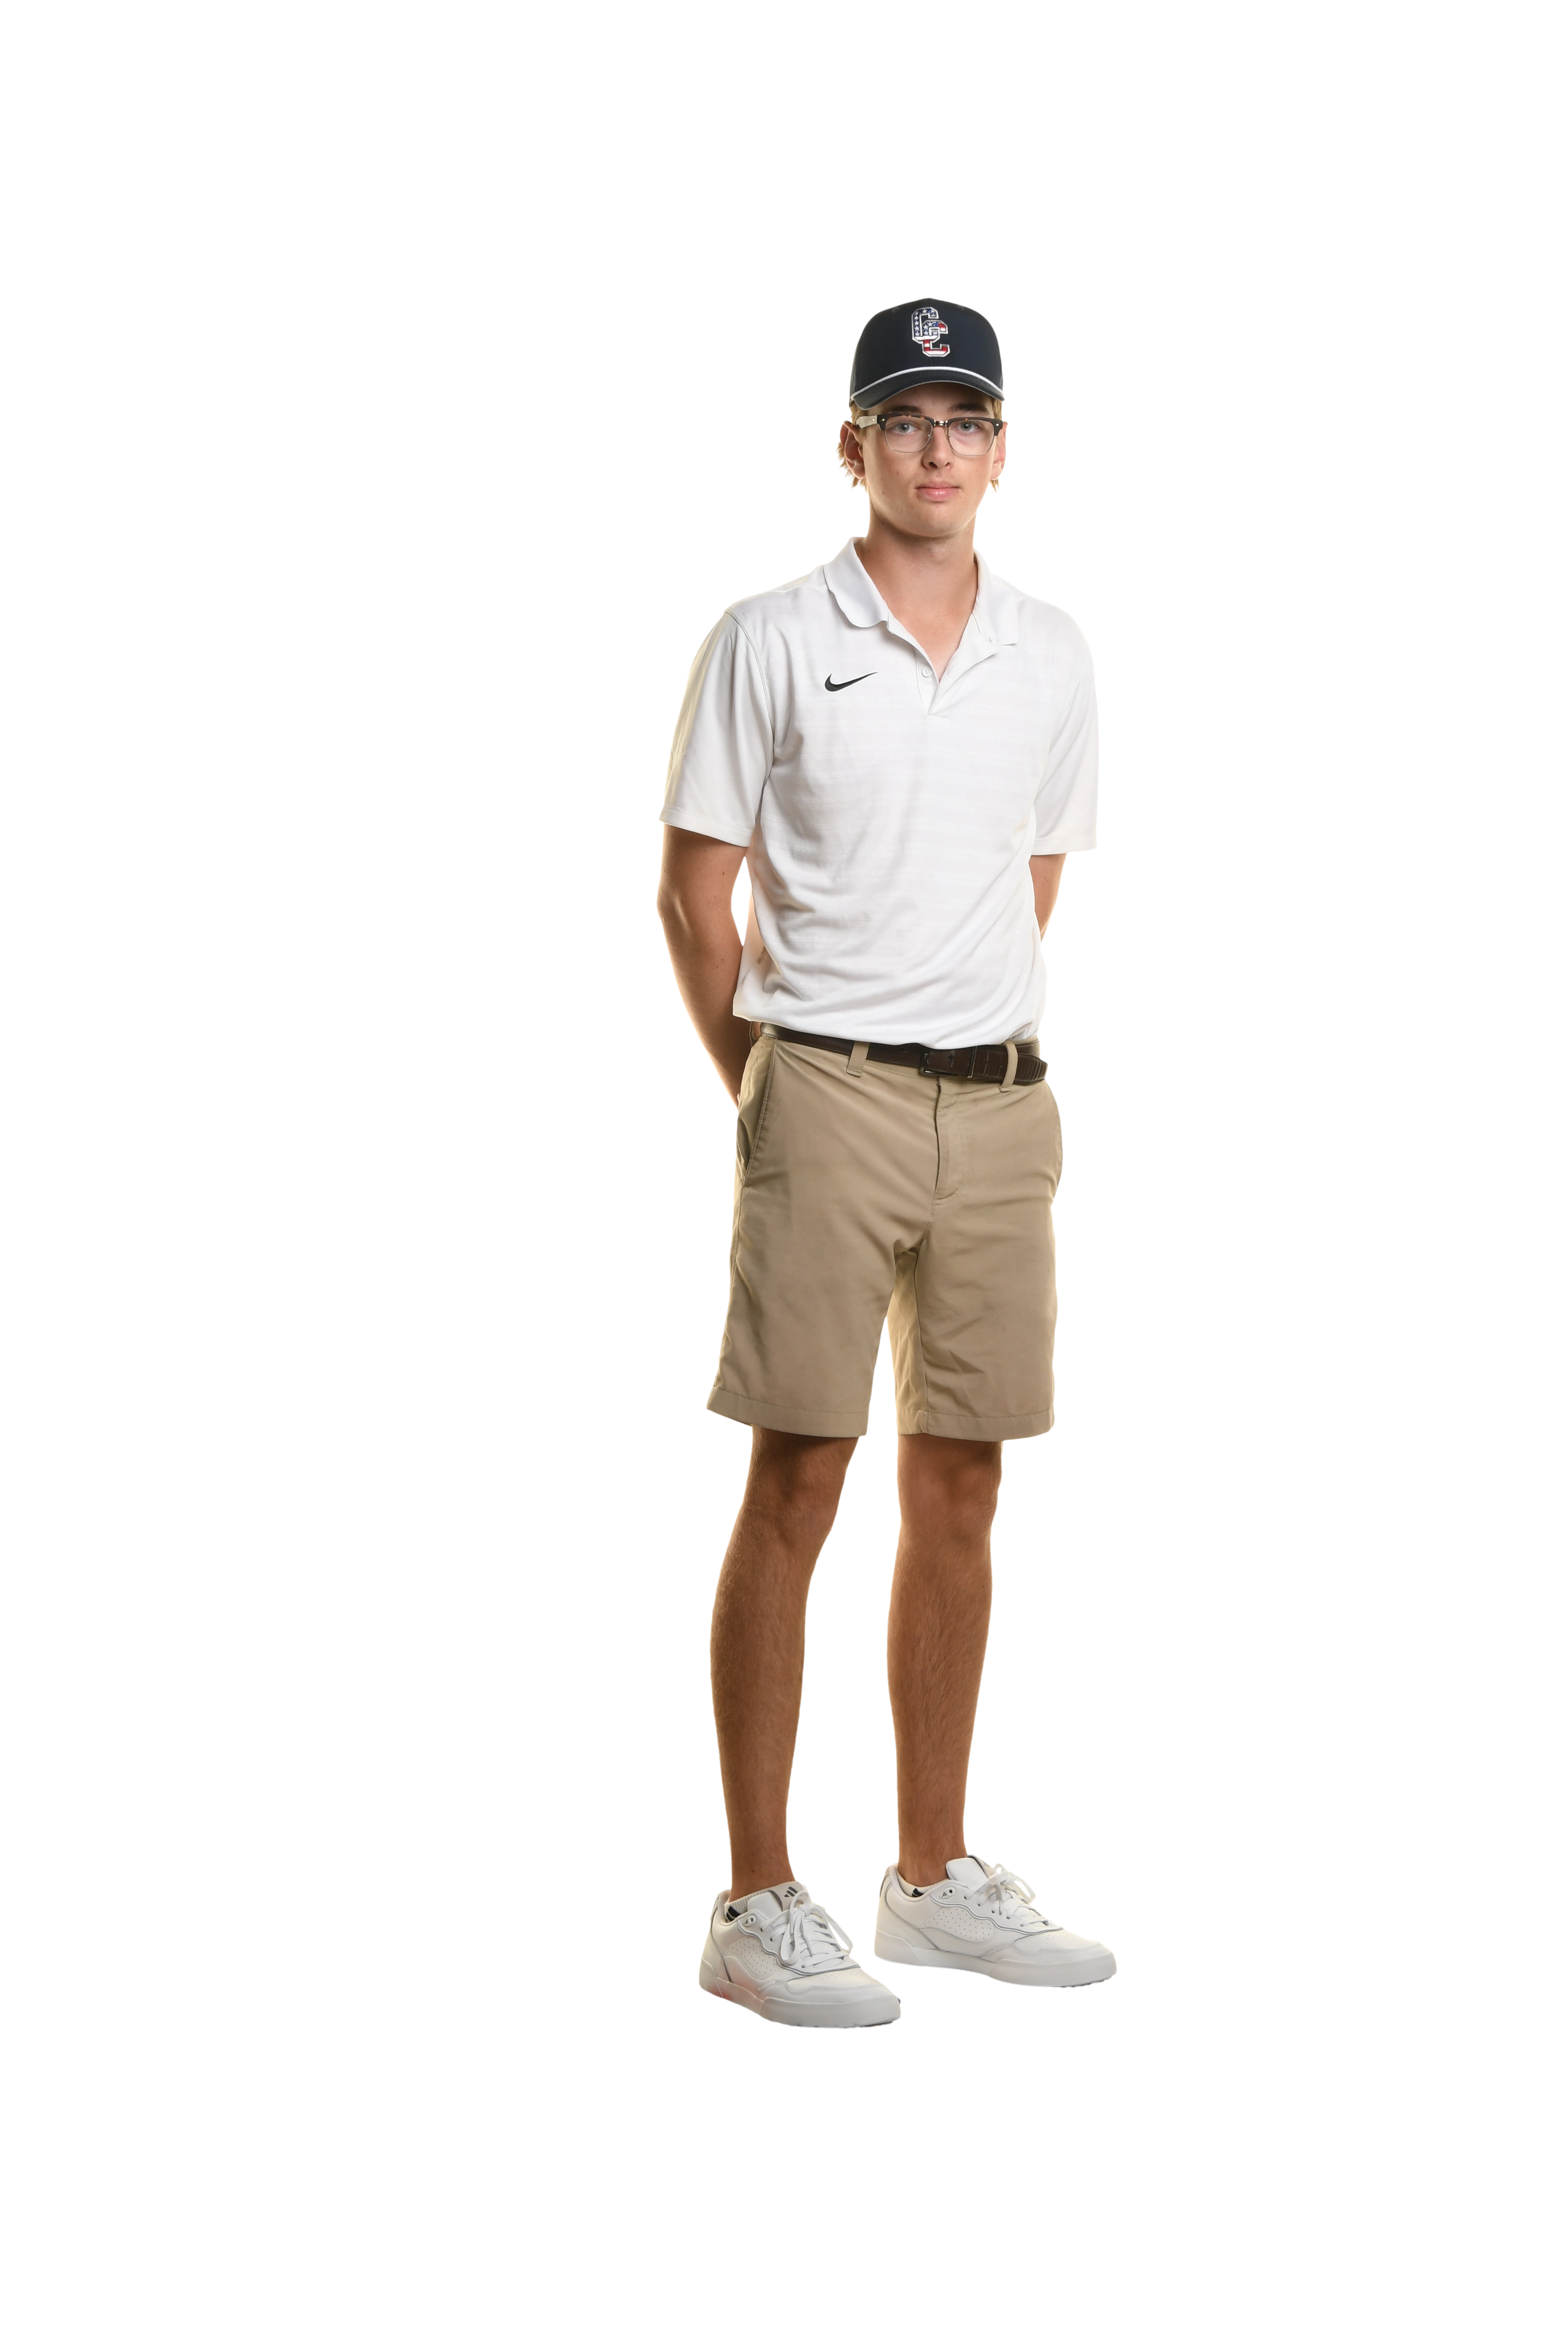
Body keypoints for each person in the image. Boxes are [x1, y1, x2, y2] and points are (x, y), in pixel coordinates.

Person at [659, 299, 1116, 2027]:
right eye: (905, 418)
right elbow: (692, 896)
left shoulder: (1052, 653)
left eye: (966, 418)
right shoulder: (771, 636)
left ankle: (928, 1884)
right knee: (798, 1475)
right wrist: (771, 1093)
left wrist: (947, 1037)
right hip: (825, 1093)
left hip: (999, 1107)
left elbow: (1027, 884)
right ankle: (757, 1902)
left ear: (1001, 451)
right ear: (852, 447)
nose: (937, 447)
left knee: (965, 1480)